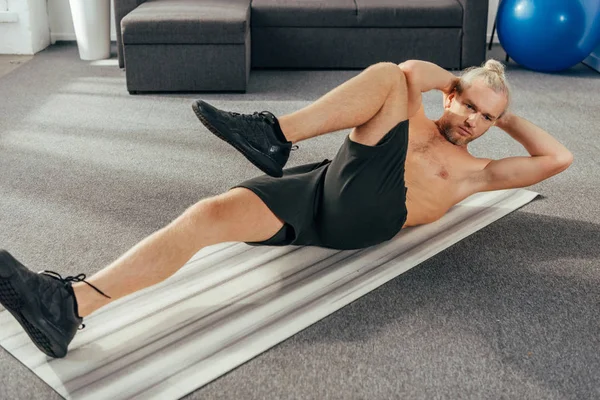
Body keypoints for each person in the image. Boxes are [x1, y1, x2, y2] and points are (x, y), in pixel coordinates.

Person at [0, 59, 573, 359]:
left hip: (370, 215)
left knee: (382, 79)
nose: (472, 120)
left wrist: (504, 106)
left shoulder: (480, 173)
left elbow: (559, 157)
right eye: (467, 105)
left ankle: (275, 134)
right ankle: (67, 306)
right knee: (207, 214)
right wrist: (462, 83)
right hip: (322, 188)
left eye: (485, 119)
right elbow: (411, 73)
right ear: (450, 96)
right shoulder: (413, 115)